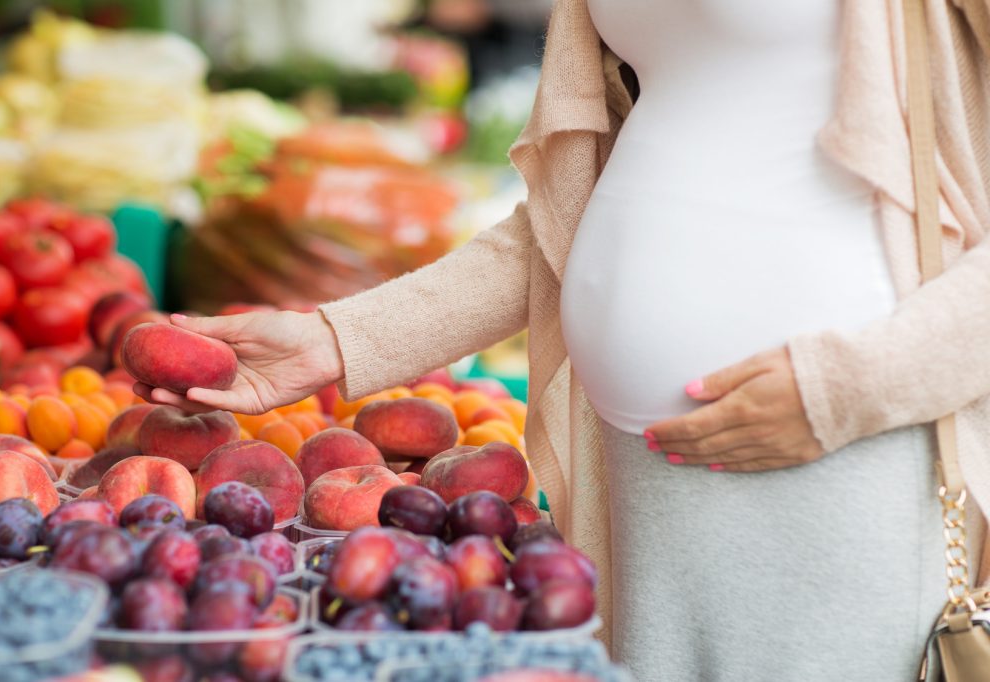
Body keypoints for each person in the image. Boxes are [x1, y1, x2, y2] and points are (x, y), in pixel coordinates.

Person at [137, 1, 990, 679]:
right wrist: (340, 338)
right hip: (633, 460)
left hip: (834, 448)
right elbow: (568, 214)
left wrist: (850, 387)